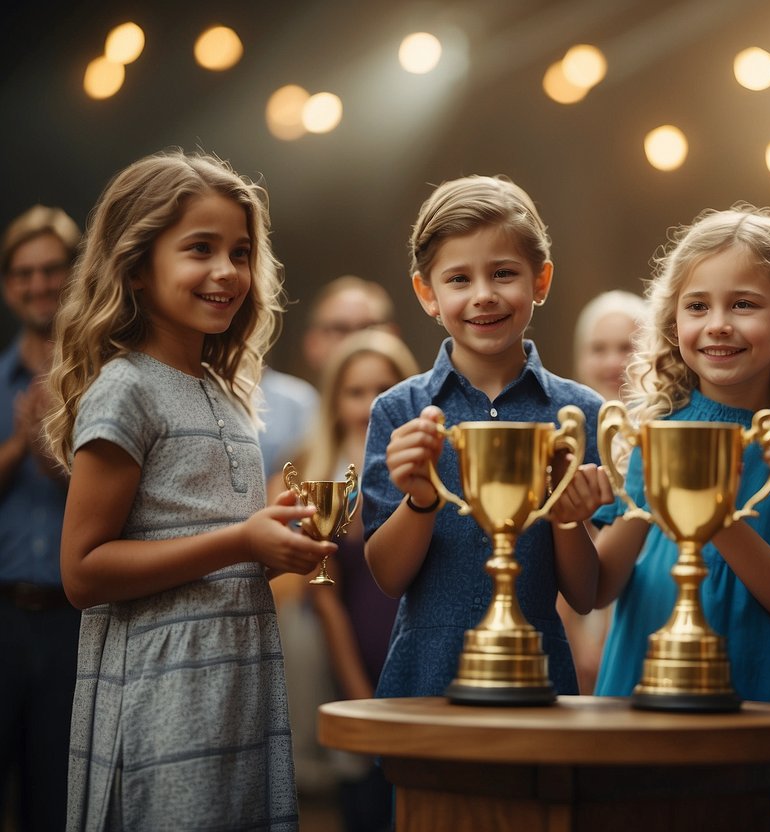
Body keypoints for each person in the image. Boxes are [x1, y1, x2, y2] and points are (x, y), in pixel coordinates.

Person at [42, 149, 336, 829]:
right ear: (138, 267)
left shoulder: (228, 394)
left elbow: (200, 543)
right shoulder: (128, 388)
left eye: (239, 252)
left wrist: (275, 544)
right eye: (199, 249)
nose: (226, 272)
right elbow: (82, 572)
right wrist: (239, 537)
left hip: (234, 684)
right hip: (161, 700)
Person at [590, 205, 770, 832]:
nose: (718, 325)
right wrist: (563, 517)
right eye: (698, 306)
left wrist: (714, 515)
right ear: (672, 320)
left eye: (744, 305)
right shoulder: (650, 437)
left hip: (755, 700)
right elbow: (601, 586)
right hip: (641, 692)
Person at [362, 174, 604, 710]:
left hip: (539, 680)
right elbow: (387, 575)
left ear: (541, 281)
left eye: (503, 273)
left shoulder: (581, 414)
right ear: (427, 292)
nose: (484, 295)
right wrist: (420, 497)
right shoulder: (397, 411)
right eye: (458, 279)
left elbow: (585, 596)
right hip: (425, 678)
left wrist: (566, 515)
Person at [286, 329, 419, 832]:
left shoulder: (426, 469)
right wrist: (362, 694)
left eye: (383, 389)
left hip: (414, 662)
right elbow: (326, 603)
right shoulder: (319, 476)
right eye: (355, 391)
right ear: (334, 399)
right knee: (365, 807)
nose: (369, 404)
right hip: (350, 669)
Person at [0, 205, 81, 832]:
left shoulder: (105, 379)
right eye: (24, 272)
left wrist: (58, 460)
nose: (38, 284)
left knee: (58, 802)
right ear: (8, 285)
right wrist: (19, 448)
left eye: (52, 269)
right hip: (1, 615)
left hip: (75, 625)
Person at [560, 288, 646, 694]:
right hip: (580, 613)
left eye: (626, 347)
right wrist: (576, 641)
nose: (613, 362)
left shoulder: (663, 435)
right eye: (599, 349)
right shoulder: (565, 438)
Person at [259, 275, 398, 479]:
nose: (356, 340)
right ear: (312, 343)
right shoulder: (287, 411)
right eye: (340, 329)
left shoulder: (420, 410)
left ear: (393, 335)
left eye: (368, 327)